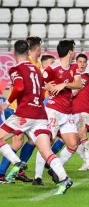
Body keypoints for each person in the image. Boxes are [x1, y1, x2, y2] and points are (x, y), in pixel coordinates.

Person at [0, 40, 72, 195]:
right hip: (40, 114)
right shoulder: (37, 69)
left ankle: (17, 162)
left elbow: (19, 86)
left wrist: (7, 102)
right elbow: (40, 92)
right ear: (28, 52)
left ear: (14, 53)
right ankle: (64, 178)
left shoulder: (15, 69)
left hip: (24, 113)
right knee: (46, 151)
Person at [33, 40, 83, 184]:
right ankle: (37, 177)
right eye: (73, 50)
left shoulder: (74, 67)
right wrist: (46, 86)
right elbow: (38, 82)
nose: (74, 52)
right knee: (46, 143)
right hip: (53, 111)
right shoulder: (52, 68)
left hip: (67, 112)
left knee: (74, 143)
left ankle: (56, 168)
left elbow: (78, 84)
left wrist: (64, 84)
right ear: (69, 52)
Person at [0, 36, 43, 183]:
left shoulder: (36, 65)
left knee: (32, 140)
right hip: (16, 109)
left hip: (30, 111)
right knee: (17, 142)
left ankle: (18, 169)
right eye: (39, 48)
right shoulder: (27, 65)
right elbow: (19, 87)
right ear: (33, 49)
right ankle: (3, 172)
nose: (40, 51)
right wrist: (8, 102)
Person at [72, 53, 89, 171]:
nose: (82, 64)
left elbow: (74, 92)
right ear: (76, 63)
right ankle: (86, 161)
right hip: (72, 112)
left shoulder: (85, 76)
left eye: (84, 62)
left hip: (83, 110)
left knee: (82, 134)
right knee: (72, 140)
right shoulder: (72, 77)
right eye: (80, 61)